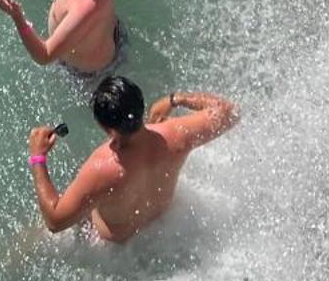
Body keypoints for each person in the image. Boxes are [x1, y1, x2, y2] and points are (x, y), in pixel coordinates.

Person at [26, 77, 239, 242]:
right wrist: (177, 99)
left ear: (106, 128)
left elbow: (55, 221)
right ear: (140, 107)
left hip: (106, 246)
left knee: (33, 235)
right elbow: (230, 112)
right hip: (157, 225)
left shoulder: (103, 168)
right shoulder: (176, 136)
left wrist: (38, 156)